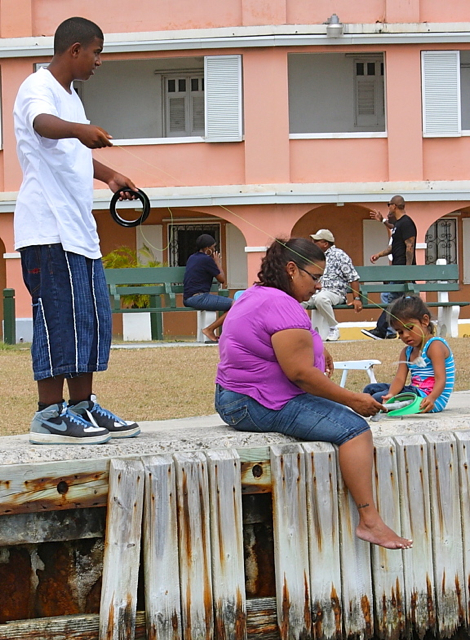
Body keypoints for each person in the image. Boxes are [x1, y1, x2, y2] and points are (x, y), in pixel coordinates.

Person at [215, 237, 413, 549]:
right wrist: (353, 399)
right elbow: (300, 375)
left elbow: (277, 342)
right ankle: (370, 521)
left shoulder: (255, 294)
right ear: (292, 269)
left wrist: (318, 350)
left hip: (233, 396)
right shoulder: (283, 305)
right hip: (253, 402)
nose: (319, 286)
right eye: (316, 277)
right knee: (355, 429)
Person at [14, 17, 141, 445]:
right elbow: (41, 125)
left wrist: (109, 176)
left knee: (89, 320)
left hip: (79, 231)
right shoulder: (38, 87)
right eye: (96, 52)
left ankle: (83, 407)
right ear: (74, 50)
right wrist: (79, 130)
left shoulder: (72, 98)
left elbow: (73, 153)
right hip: (47, 230)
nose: (98, 61)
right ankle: (48, 415)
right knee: (58, 321)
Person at [363, 296, 455, 413]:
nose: (405, 335)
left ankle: (384, 406)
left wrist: (431, 398)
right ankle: (385, 403)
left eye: (409, 328)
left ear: (425, 321)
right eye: (400, 332)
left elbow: (441, 378)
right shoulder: (407, 352)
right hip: (413, 392)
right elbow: (400, 378)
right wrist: (391, 394)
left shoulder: (435, 346)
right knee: (369, 390)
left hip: (428, 400)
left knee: (376, 398)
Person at [362, 195, 417, 340]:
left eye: (389, 205)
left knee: (392, 299)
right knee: (391, 298)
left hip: (402, 270)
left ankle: (381, 330)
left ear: (394, 206)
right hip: (397, 270)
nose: (388, 208)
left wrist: (407, 272)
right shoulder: (399, 224)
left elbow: (409, 247)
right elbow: (395, 244)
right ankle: (391, 331)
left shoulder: (406, 223)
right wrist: (379, 254)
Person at [303, 229, 362, 341]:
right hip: (317, 292)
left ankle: (333, 328)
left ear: (325, 243)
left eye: (316, 241)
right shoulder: (316, 257)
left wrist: (357, 298)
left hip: (335, 293)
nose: (313, 243)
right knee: (297, 302)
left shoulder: (339, 255)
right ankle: (302, 330)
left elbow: (353, 277)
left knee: (321, 299)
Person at [183, 234, 233, 342]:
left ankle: (225, 333)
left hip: (189, 298)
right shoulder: (206, 260)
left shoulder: (192, 257)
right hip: (199, 298)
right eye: (213, 247)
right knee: (236, 304)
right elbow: (222, 279)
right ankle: (209, 329)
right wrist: (217, 262)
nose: (214, 250)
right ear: (207, 248)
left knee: (229, 305)